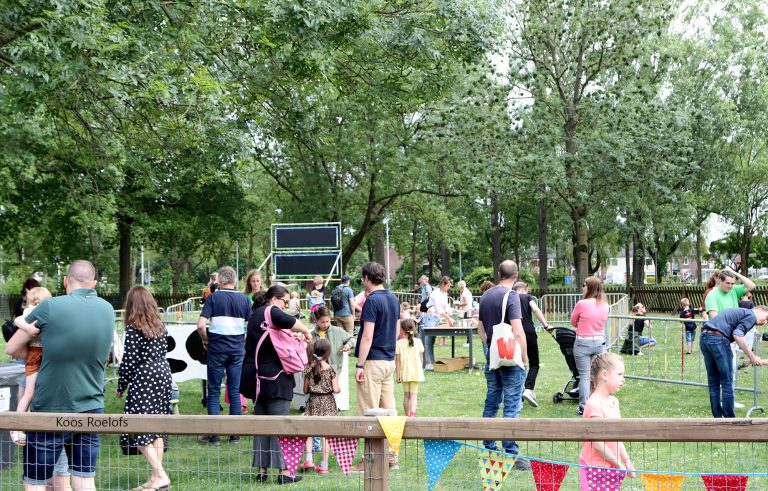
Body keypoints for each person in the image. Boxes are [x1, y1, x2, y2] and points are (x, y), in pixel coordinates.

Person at [7, 260, 114, 491]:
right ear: (94, 283)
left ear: (66, 281)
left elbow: (11, 348)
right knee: (85, 479)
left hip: (50, 407)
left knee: (36, 481)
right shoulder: (107, 309)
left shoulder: (51, 306)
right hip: (91, 406)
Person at [240, 285, 312, 485]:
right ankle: (284, 473)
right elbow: (288, 320)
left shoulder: (256, 316)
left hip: (258, 380)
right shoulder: (271, 311)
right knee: (281, 426)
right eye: (284, 301)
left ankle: (262, 471)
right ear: (273, 299)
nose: (285, 306)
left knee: (261, 427)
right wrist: (306, 330)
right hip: (277, 379)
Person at [116, 286, 173, 491]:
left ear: (132, 304)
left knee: (136, 427)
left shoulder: (134, 327)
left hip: (145, 376)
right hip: (163, 373)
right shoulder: (160, 324)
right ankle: (155, 478)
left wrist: (121, 385)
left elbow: (129, 360)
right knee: (156, 427)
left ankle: (160, 475)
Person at [476, 260, 530, 471]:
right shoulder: (512, 296)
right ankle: (511, 452)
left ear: (499, 273)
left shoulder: (486, 295)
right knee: (512, 403)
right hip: (510, 354)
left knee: (492, 399)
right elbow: (517, 330)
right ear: (516, 275)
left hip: (493, 354)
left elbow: (480, 327)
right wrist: (524, 355)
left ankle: (489, 445)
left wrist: (490, 345)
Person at [351, 262, 401, 472]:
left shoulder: (372, 301)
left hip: (373, 361)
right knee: (390, 411)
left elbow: (367, 335)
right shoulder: (393, 298)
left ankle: (369, 460)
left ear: (366, 278)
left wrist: (360, 364)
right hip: (388, 361)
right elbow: (398, 330)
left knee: (368, 411)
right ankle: (391, 457)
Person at [197, 266, 251, 445]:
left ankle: (214, 435)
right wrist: (244, 341)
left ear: (219, 281)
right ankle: (234, 434)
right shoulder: (244, 299)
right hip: (236, 350)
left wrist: (206, 340)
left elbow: (201, 325)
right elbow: (250, 327)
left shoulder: (213, 298)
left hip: (216, 349)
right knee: (234, 390)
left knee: (213, 391)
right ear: (235, 280)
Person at [580, 353, 635, 490]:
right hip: (594, 467)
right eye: (619, 374)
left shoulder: (614, 402)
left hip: (612, 466)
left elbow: (618, 437)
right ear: (605, 374)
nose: (623, 379)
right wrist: (618, 464)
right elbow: (597, 444)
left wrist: (627, 461)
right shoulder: (594, 405)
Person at [700, 306, 768, 418]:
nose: (765, 322)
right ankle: (729, 420)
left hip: (704, 337)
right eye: (766, 318)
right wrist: (752, 357)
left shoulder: (741, 312)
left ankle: (717, 419)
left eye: (767, 322)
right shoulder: (751, 315)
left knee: (713, 382)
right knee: (727, 382)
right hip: (718, 339)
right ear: (759, 310)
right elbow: (738, 335)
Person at [299, 338, 340, 475]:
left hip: (313, 402)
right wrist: (338, 387)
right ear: (328, 353)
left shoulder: (308, 369)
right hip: (328, 402)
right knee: (326, 434)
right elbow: (335, 389)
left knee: (308, 431)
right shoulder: (332, 369)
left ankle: (309, 460)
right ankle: (324, 465)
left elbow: (305, 391)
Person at [571, 276, 609, 416]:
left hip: (583, 342)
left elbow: (573, 321)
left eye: (584, 285)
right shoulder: (605, 306)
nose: (583, 287)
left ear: (590, 287)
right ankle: (597, 404)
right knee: (596, 376)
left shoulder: (582, 304)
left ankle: (583, 406)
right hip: (599, 342)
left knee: (585, 376)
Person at [513, 282, 551, 408]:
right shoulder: (528, 297)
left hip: (514, 332)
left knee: (516, 363)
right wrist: (546, 325)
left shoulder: (510, 297)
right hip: (528, 332)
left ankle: (517, 395)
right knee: (534, 363)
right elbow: (535, 309)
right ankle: (528, 389)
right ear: (523, 288)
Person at [310, 306, 356, 373]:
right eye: (322, 322)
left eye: (327, 321)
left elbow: (352, 339)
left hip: (334, 370)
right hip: (317, 371)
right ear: (316, 321)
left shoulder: (338, 331)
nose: (325, 324)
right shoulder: (311, 335)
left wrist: (348, 345)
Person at [396, 318, 424, 417]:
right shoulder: (419, 342)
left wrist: (398, 375)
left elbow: (398, 361)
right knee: (413, 395)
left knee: (406, 395)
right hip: (416, 372)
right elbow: (421, 359)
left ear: (402, 330)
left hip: (404, 372)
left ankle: (407, 414)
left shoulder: (399, 344)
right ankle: (412, 414)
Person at [424, 276, 455, 365]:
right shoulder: (436, 293)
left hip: (437, 318)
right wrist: (448, 318)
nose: (449, 288)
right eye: (448, 286)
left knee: (432, 341)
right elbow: (438, 309)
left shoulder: (444, 294)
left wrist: (454, 311)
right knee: (427, 341)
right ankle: (426, 362)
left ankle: (432, 362)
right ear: (443, 284)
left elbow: (446, 306)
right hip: (431, 318)